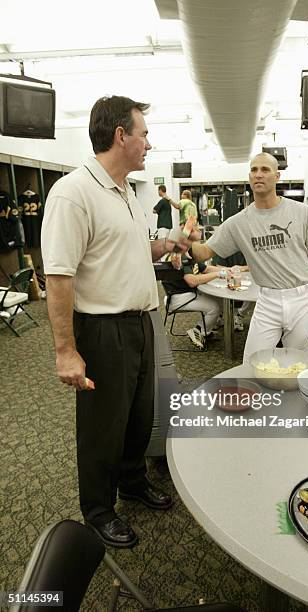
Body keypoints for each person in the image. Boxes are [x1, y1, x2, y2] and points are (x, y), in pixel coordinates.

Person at [41, 96, 199, 549]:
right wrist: (66, 350)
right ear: (120, 136)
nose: (149, 142)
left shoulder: (126, 191)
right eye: (144, 133)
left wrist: (168, 243)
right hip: (102, 330)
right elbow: (59, 275)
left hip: (140, 323)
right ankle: (97, 508)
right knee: (102, 427)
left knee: (136, 416)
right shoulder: (74, 193)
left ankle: (131, 482)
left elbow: (131, 251)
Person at [190, 152, 308, 363]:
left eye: (265, 170)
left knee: (296, 363)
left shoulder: (303, 213)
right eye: (254, 170)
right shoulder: (238, 223)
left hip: (302, 298)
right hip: (267, 300)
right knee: (252, 362)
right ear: (249, 177)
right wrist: (188, 240)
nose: (258, 174)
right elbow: (204, 253)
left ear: (277, 176)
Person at [163, 253, 225, 349]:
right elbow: (192, 281)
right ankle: (199, 331)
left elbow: (206, 269)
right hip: (178, 297)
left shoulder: (190, 254)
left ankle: (206, 331)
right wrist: (218, 274)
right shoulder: (181, 256)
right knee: (214, 307)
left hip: (185, 293)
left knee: (219, 299)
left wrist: (226, 270)